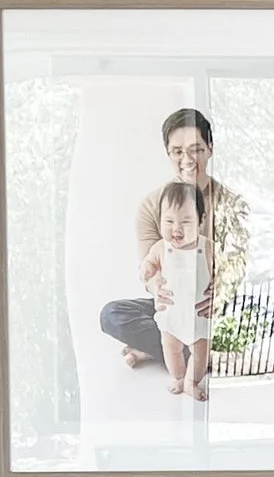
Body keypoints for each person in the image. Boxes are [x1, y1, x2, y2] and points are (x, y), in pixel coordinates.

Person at [100, 108, 250, 370]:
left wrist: (220, 293)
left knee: (271, 311)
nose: (187, 159)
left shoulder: (232, 205)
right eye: (178, 151)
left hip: (211, 306)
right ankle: (204, 357)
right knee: (112, 315)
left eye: (196, 149)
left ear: (210, 149)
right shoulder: (151, 206)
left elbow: (237, 264)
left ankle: (155, 349)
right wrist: (157, 288)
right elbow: (149, 268)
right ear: (167, 153)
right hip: (172, 304)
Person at [141, 180, 212, 402]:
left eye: (186, 222)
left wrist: (220, 289)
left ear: (201, 221)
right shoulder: (161, 248)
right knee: (170, 348)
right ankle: (178, 377)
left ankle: (192, 381)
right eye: (169, 221)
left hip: (199, 314)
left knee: (200, 353)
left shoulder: (207, 248)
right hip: (171, 312)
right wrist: (147, 272)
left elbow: (225, 271)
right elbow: (148, 265)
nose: (176, 229)